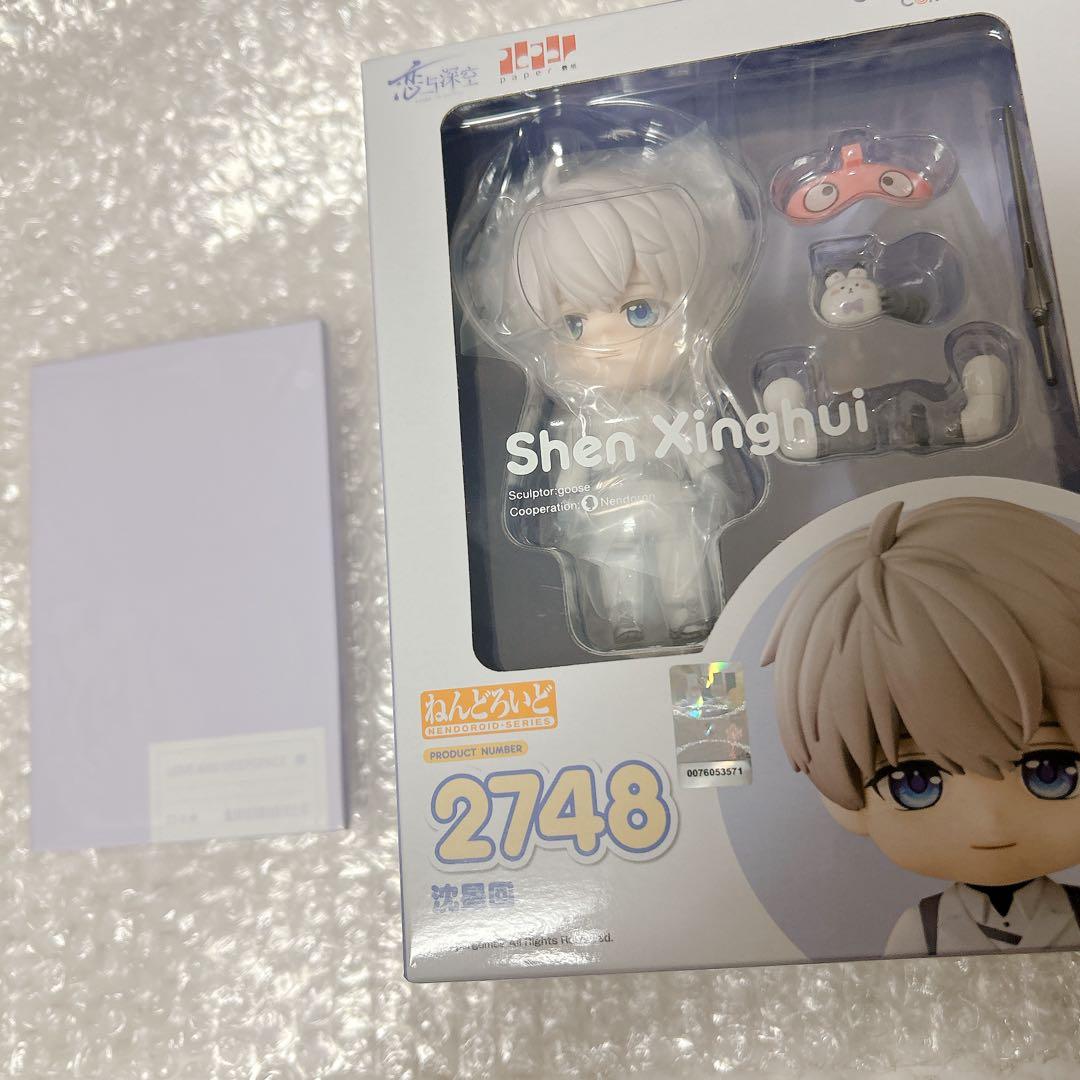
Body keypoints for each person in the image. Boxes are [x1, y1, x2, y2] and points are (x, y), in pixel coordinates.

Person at [761, 497, 1080, 956]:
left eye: (1051, 771)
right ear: (843, 800)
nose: (989, 822)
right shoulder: (922, 930)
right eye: (915, 782)